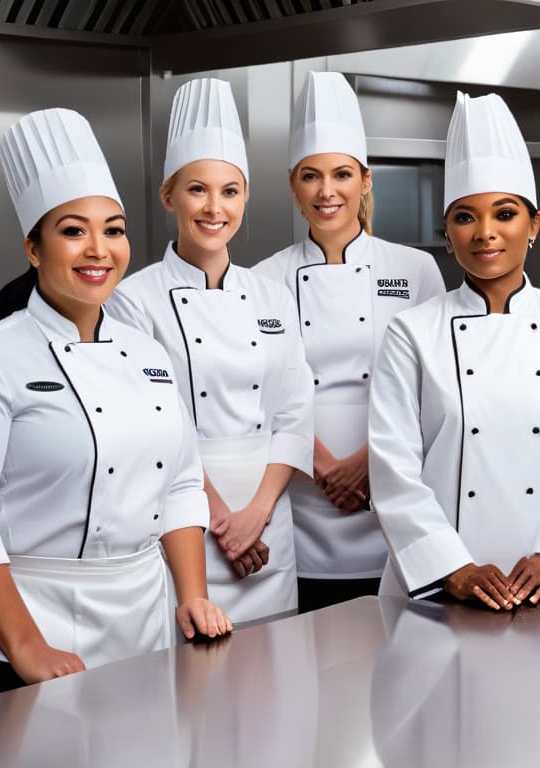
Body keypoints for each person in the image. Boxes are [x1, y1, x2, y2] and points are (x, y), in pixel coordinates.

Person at [0, 108, 231, 700]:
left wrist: (192, 594)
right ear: (33, 249)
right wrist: (26, 646)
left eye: (114, 230)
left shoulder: (149, 353)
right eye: (73, 230)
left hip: (146, 624)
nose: (99, 249)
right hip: (30, 625)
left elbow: (179, 485)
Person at [369, 92, 540, 610]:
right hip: (440, 588)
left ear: (533, 225)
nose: (484, 233)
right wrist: (453, 567)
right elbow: (393, 468)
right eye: (465, 218)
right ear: (448, 232)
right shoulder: (411, 332)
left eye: (504, 214)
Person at [108, 78, 314, 624]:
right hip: (184, 521)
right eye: (197, 189)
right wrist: (221, 520)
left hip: (269, 520)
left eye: (230, 190)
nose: (214, 207)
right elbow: (155, 429)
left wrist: (258, 514)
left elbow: (295, 414)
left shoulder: (272, 295)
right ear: (168, 195)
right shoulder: (132, 300)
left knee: (277, 682)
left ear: (245, 196)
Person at [253, 71, 445, 613]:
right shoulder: (263, 280)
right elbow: (264, 392)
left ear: (365, 180)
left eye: (341, 174)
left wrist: (367, 463)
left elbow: (437, 385)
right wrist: (320, 466)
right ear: (293, 185)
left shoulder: (414, 269)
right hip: (302, 502)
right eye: (310, 177)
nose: (326, 191)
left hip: (393, 499)